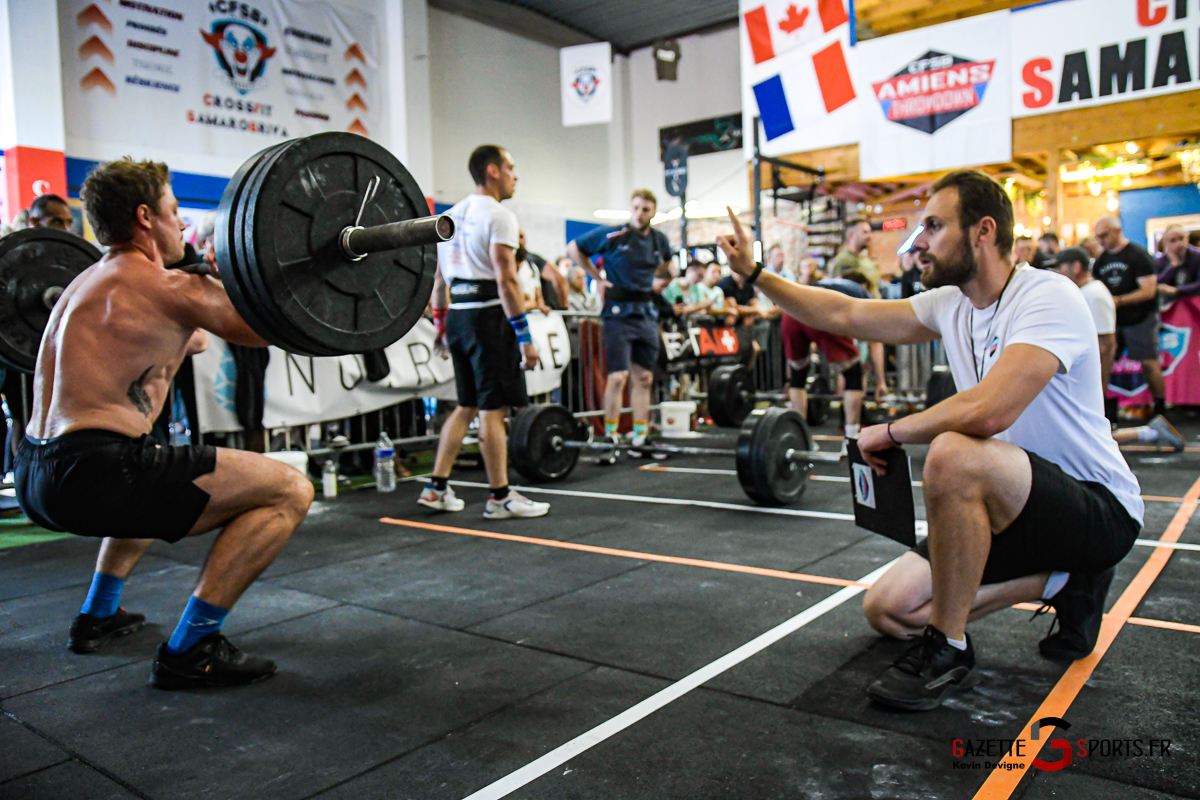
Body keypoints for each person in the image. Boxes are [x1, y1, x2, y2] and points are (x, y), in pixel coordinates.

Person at [718, 169, 1143, 711]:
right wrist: (755, 273)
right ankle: (1065, 585)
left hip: (1095, 510)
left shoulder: (1049, 296)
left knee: (953, 452)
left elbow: (989, 410)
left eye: (935, 226)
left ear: (983, 231)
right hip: (1010, 504)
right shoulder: (951, 304)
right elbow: (843, 312)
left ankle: (949, 649)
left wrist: (891, 431)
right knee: (889, 610)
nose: (919, 242)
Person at [15, 158, 315, 689]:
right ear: (145, 217)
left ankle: (99, 614)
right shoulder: (162, 285)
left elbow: (194, 338)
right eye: (175, 211)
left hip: (37, 471)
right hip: (96, 471)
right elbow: (267, 327)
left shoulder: (84, 282)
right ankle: (192, 648)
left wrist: (206, 281)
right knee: (289, 490)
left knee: (147, 480)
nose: (181, 224)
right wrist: (280, 267)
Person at [420, 145, 549, 519]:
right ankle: (500, 497)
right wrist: (525, 337)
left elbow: (441, 281)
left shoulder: (449, 216)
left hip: (459, 318)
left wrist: (442, 328)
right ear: (492, 171)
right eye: (511, 167)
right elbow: (507, 281)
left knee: (467, 405)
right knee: (493, 410)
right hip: (488, 320)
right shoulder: (499, 215)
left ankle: (436, 488)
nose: (515, 175)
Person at [567, 189, 674, 454]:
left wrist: (663, 281)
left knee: (644, 377)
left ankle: (640, 437)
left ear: (653, 212)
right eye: (636, 208)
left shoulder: (659, 240)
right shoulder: (613, 234)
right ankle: (609, 437)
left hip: (646, 312)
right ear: (630, 209)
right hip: (618, 313)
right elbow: (574, 248)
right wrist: (596, 276)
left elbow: (669, 266)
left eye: (646, 209)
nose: (640, 213)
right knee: (617, 377)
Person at [1053, 247, 1184, 451]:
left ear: (1076, 267)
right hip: (1085, 381)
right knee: (1082, 437)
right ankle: (1149, 432)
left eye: (1059, 268)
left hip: (1084, 382)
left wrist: (1091, 384)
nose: (1056, 273)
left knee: (1081, 438)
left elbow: (1104, 345)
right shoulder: (1088, 292)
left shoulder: (1093, 295)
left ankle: (1151, 431)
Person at [779, 271, 873, 443]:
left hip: (791, 311)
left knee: (798, 375)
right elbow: (875, 341)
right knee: (853, 373)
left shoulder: (832, 284)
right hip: (820, 309)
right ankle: (851, 440)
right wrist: (881, 381)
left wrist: (788, 378)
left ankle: (801, 438)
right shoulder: (864, 296)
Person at [1092, 215, 1167, 419]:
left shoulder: (1138, 254)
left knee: (1149, 362)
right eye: (1098, 237)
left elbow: (1149, 290)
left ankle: (1160, 408)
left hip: (1141, 317)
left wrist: (1119, 300)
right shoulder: (1101, 260)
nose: (1101, 241)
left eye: (1104, 236)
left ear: (1117, 232)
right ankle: (1102, 410)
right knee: (1102, 362)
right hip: (1113, 320)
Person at [829, 220, 881, 297]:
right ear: (851, 236)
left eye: (870, 232)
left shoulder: (866, 260)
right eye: (865, 232)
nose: (870, 236)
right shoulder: (844, 261)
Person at [1155, 224, 1200, 299]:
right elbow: (1157, 285)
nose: (1179, 244)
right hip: (1171, 305)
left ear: (1187, 238)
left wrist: (1177, 290)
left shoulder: (1197, 256)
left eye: (1181, 238)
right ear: (1165, 244)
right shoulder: (1159, 262)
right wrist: (1173, 266)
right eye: (1173, 240)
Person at [515, 230, 551, 315]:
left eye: (521, 237)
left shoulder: (532, 267)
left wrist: (542, 307)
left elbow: (538, 295)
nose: (519, 240)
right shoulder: (504, 266)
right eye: (516, 237)